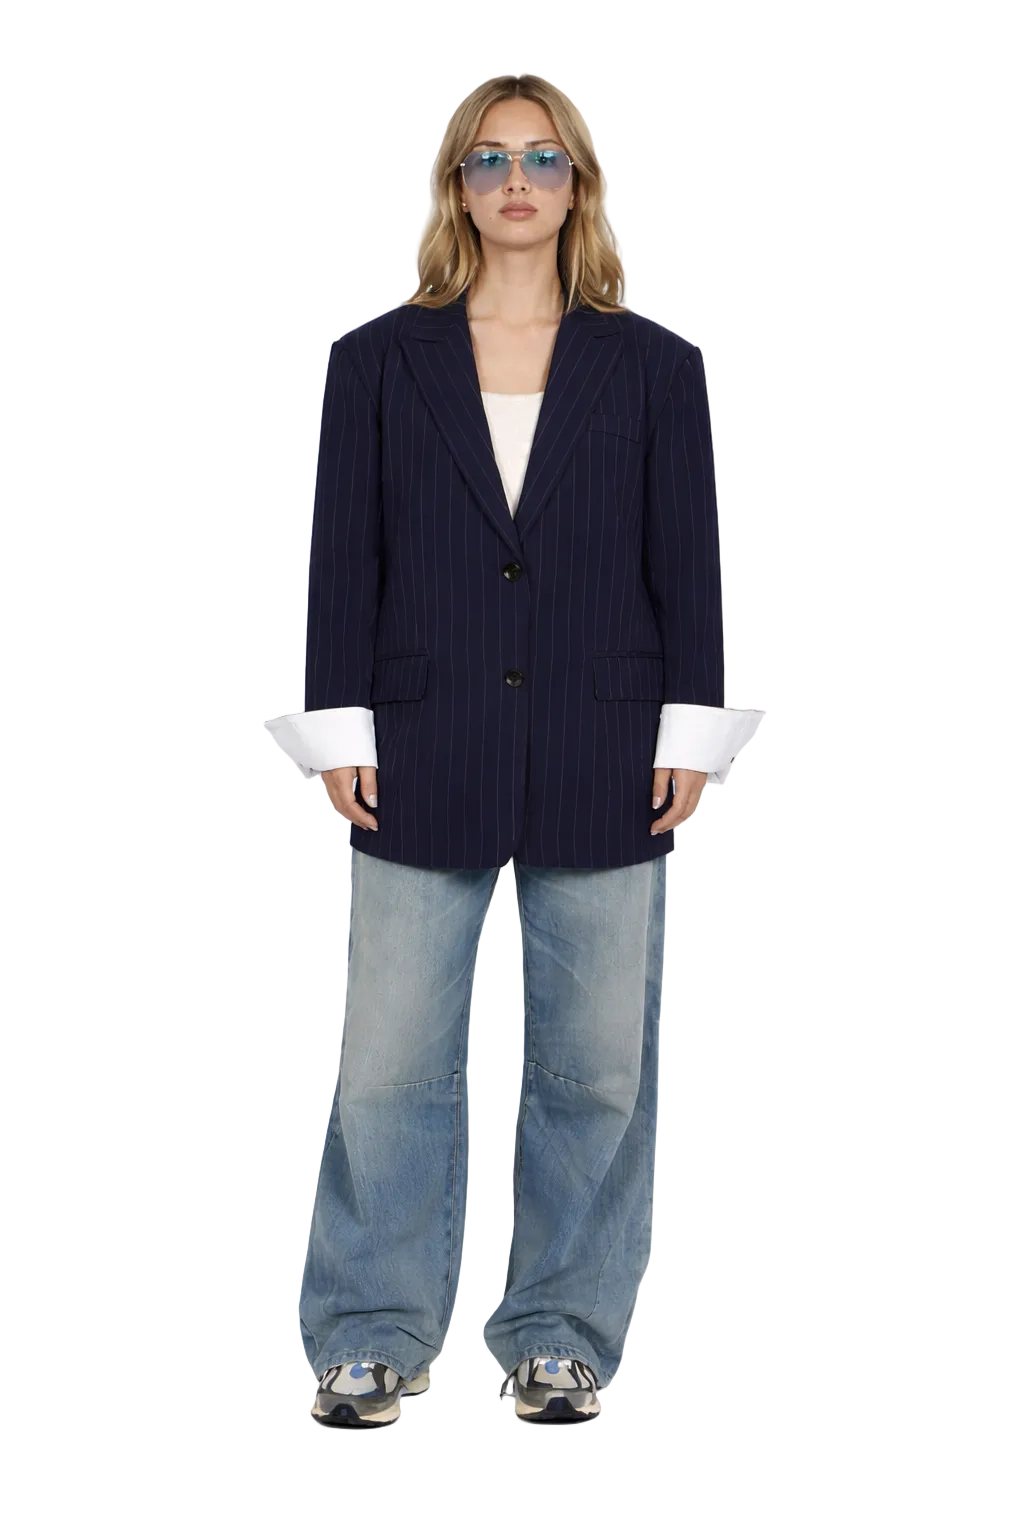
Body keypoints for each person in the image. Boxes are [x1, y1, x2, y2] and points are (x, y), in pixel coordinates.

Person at [265, 72, 764, 1428]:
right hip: (420, 750)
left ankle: (561, 1334)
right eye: (490, 160)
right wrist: (337, 724)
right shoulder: (377, 361)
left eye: (544, 157)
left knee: (596, 1070)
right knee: (389, 1065)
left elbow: (688, 563)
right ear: (459, 187)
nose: (518, 181)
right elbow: (343, 556)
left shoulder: (655, 366)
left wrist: (692, 732)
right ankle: (370, 1332)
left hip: (608, 750)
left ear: (577, 182)